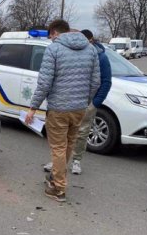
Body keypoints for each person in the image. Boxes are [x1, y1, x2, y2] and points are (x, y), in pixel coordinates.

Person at [25, 20, 100, 202]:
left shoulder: (54, 49)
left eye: (50, 36)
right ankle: (55, 176)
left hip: (58, 108)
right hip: (79, 108)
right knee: (68, 145)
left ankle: (58, 188)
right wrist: (84, 100)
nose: (50, 39)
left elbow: (44, 83)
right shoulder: (91, 49)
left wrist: (33, 108)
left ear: (54, 33)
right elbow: (96, 81)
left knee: (58, 147)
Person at [43, 29, 111, 175]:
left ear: (90, 40)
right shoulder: (72, 51)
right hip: (72, 100)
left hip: (85, 102)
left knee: (81, 133)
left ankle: (76, 161)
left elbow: (104, 81)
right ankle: (59, 163)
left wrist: (93, 102)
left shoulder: (100, 56)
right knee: (63, 135)